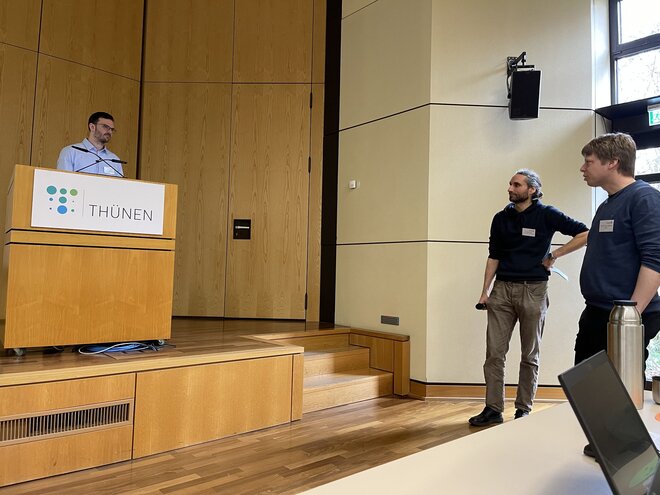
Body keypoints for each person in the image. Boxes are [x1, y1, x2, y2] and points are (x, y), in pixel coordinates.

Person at [469, 169, 589, 427]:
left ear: (532, 189)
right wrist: (485, 291)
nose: (510, 188)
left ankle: (523, 409)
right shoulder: (501, 218)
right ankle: (493, 409)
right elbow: (494, 255)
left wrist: (554, 255)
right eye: (510, 184)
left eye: (516, 184)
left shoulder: (547, 214)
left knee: (529, 354)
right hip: (502, 290)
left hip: (534, 290)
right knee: (494, 354)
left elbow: (584, 233)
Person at [575, 133, 660, 365]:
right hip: (598, 311)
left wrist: (630, 318)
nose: (583, 168)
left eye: (589, 162)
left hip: (625, 315)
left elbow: (655, 260)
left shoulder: (644, 198)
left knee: (619, 383)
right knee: (586, 382)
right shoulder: (607, 203)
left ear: (612, 162)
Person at [57, 112, 124, 177]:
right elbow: (63, 181)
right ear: (92, 127)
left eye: (112, 129)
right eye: (105, 127)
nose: (109, 132)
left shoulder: (114, 159)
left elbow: (119, 184)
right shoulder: (70, 152)